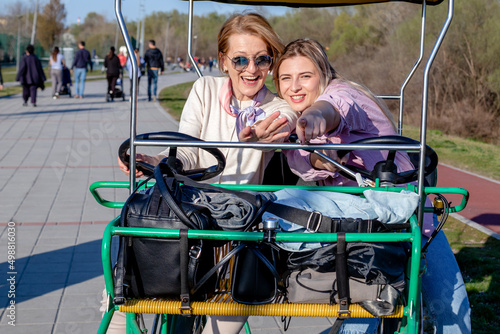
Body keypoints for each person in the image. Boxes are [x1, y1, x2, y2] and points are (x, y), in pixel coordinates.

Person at [107, 13, 299, 333]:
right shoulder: (205, 89)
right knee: (129, 280)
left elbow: (284, 122)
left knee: (230, 309)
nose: (251, 70)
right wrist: (155, 160)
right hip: (189, 214)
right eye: (240, 60)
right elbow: (187, 150)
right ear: (223, 61)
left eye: (262, 59)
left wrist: (271, 134)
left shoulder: (277, 107)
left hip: (236, 227)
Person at [271, 38, 471, 333]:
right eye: (286, 79)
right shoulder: (291, 126)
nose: (295, 87)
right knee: (363, 308)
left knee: (450, 310)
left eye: (305, 76)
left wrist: (315, 118)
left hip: (406, 219)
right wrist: (322, 160)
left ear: (324, 76)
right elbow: (309, 163)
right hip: (361, 231)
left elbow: (333, 109)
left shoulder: (344, 95)